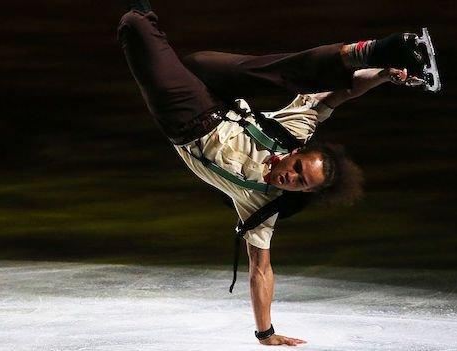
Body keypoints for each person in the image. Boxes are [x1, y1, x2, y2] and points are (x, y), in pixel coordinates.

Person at [118, 0, 436, 346]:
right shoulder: (293, 133)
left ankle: (140, 8)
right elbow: (343, 91)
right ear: (296, 154)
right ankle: (381, 49)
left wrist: (265, 333)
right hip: (217, 82)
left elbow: (262, 270)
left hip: (185, 113)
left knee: (134, 25)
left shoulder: (261, 205)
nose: (292, 178)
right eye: (298, 168)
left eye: (301, 183)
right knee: (285, 72)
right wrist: (387, 75)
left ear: (303, 194)